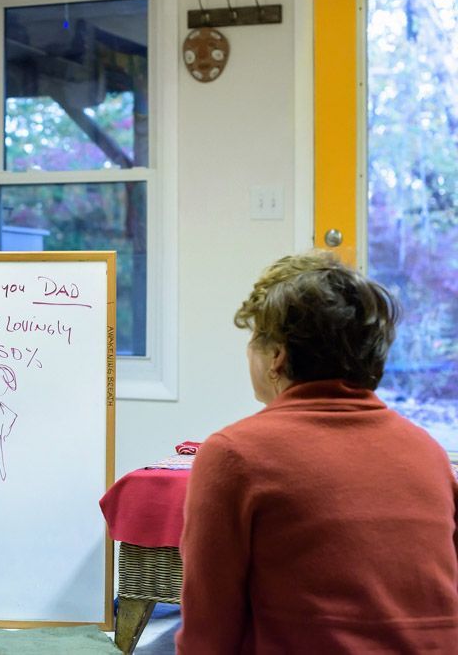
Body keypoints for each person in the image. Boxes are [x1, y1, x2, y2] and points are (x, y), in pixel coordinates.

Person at [177, 251, 458, 653]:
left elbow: (208, 632)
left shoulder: (234, 455)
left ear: (278, 356)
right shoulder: (429, 453)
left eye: (254, 337)